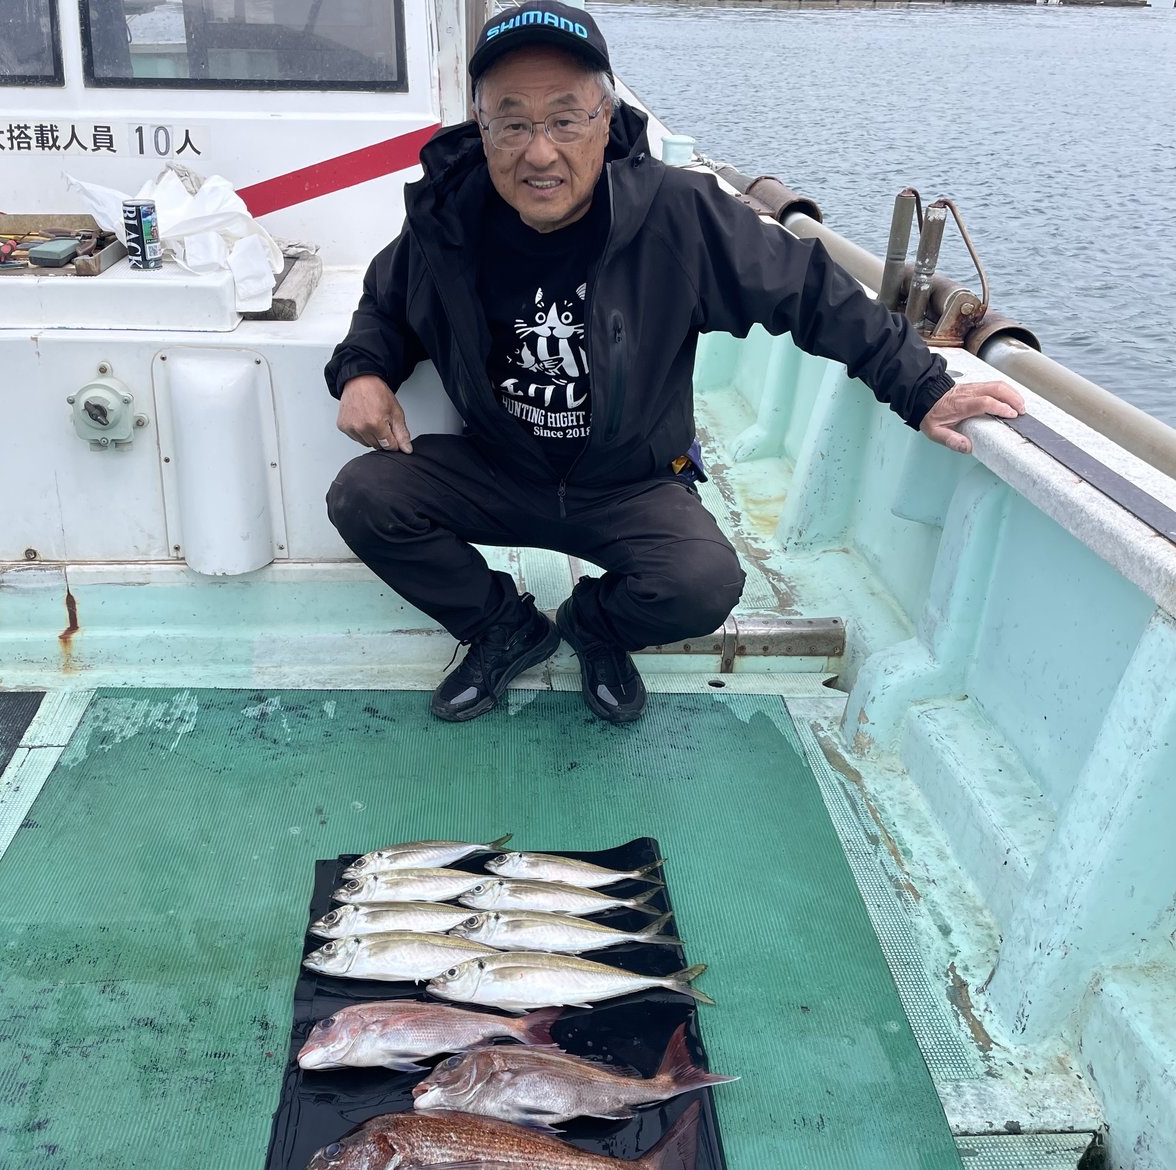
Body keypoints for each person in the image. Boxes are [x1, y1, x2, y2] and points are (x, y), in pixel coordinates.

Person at [325, 1, 1023, 726]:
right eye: (513, 123)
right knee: (365, 497)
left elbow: (809, 291)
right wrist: (363, 371)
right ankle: (504, 627)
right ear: (482, 128)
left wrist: (922, 388)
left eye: (565, 119)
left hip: (628, 481)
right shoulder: (450, 216)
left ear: (606, 120)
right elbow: (385, 302)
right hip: (500, 468)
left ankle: (594, 626)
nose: (540, 153)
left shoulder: (676, 213)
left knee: (702, 583)